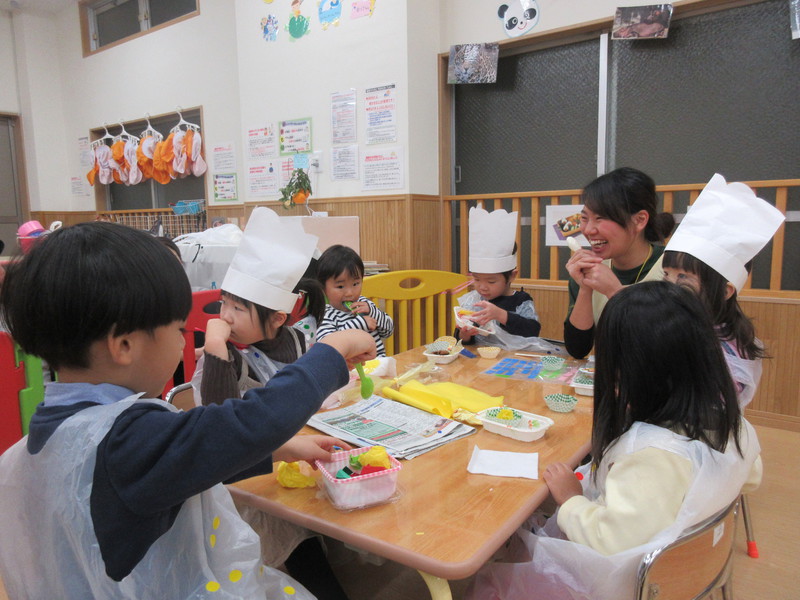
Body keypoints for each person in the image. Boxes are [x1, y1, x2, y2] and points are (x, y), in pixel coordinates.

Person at [0, 220, 376, 599]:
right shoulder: (123, 440)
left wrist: (282, 450)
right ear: (124, 345)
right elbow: (248, 422)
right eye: (179, 329)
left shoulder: (60, 432)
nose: (185, 342)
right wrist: (334, 348)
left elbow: (184, 457)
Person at [467, 281, 762, 600]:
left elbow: (608, 540)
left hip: (626, 584)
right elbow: (751, 478)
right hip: (694, 564)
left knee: (494, 573)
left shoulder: (650, 455)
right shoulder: (734, 423)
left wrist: (571, 499)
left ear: (633, 372)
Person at [663, 173, 785, 407]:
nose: (669, 285)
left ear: (725, 291)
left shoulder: (728, 352)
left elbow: (703, 408)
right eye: (666, 274)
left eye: (683, 277)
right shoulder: (683, 323)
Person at [193, 207, 326, 407]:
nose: (225, 317)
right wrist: (215, 347)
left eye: (238, 308)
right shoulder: (227, 353)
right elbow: (220, 420)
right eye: (223, 303)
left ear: (277, 319)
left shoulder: (298, 341)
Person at [564, 167, 675, 358]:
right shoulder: (589, 269)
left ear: (639, 220)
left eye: (600, 218)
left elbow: (667, 350)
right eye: (584, 218)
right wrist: (584, 289)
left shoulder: (673, 269)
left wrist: (614, 292)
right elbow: (578, 350)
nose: (588, 230)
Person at [455, 207, 544, 350]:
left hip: (513, 360)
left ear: (512, 276)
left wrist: (501, 315)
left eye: (491, 281)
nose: (482, 287)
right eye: (477, 279)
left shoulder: (521, 300)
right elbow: (459, 340)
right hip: (479, 361)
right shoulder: (473, 301)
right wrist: (464, 336)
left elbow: (533, 330)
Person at [315, 244, 394, 357]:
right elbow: (329, 348)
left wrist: (373, 312)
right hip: (348, 371)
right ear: (323, 288)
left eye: (355, 284)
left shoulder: (365, 304)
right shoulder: (325, 315)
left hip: (378, 365)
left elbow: (389, 331)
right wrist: (360, 324)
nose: (350, 293)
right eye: (340, 287)